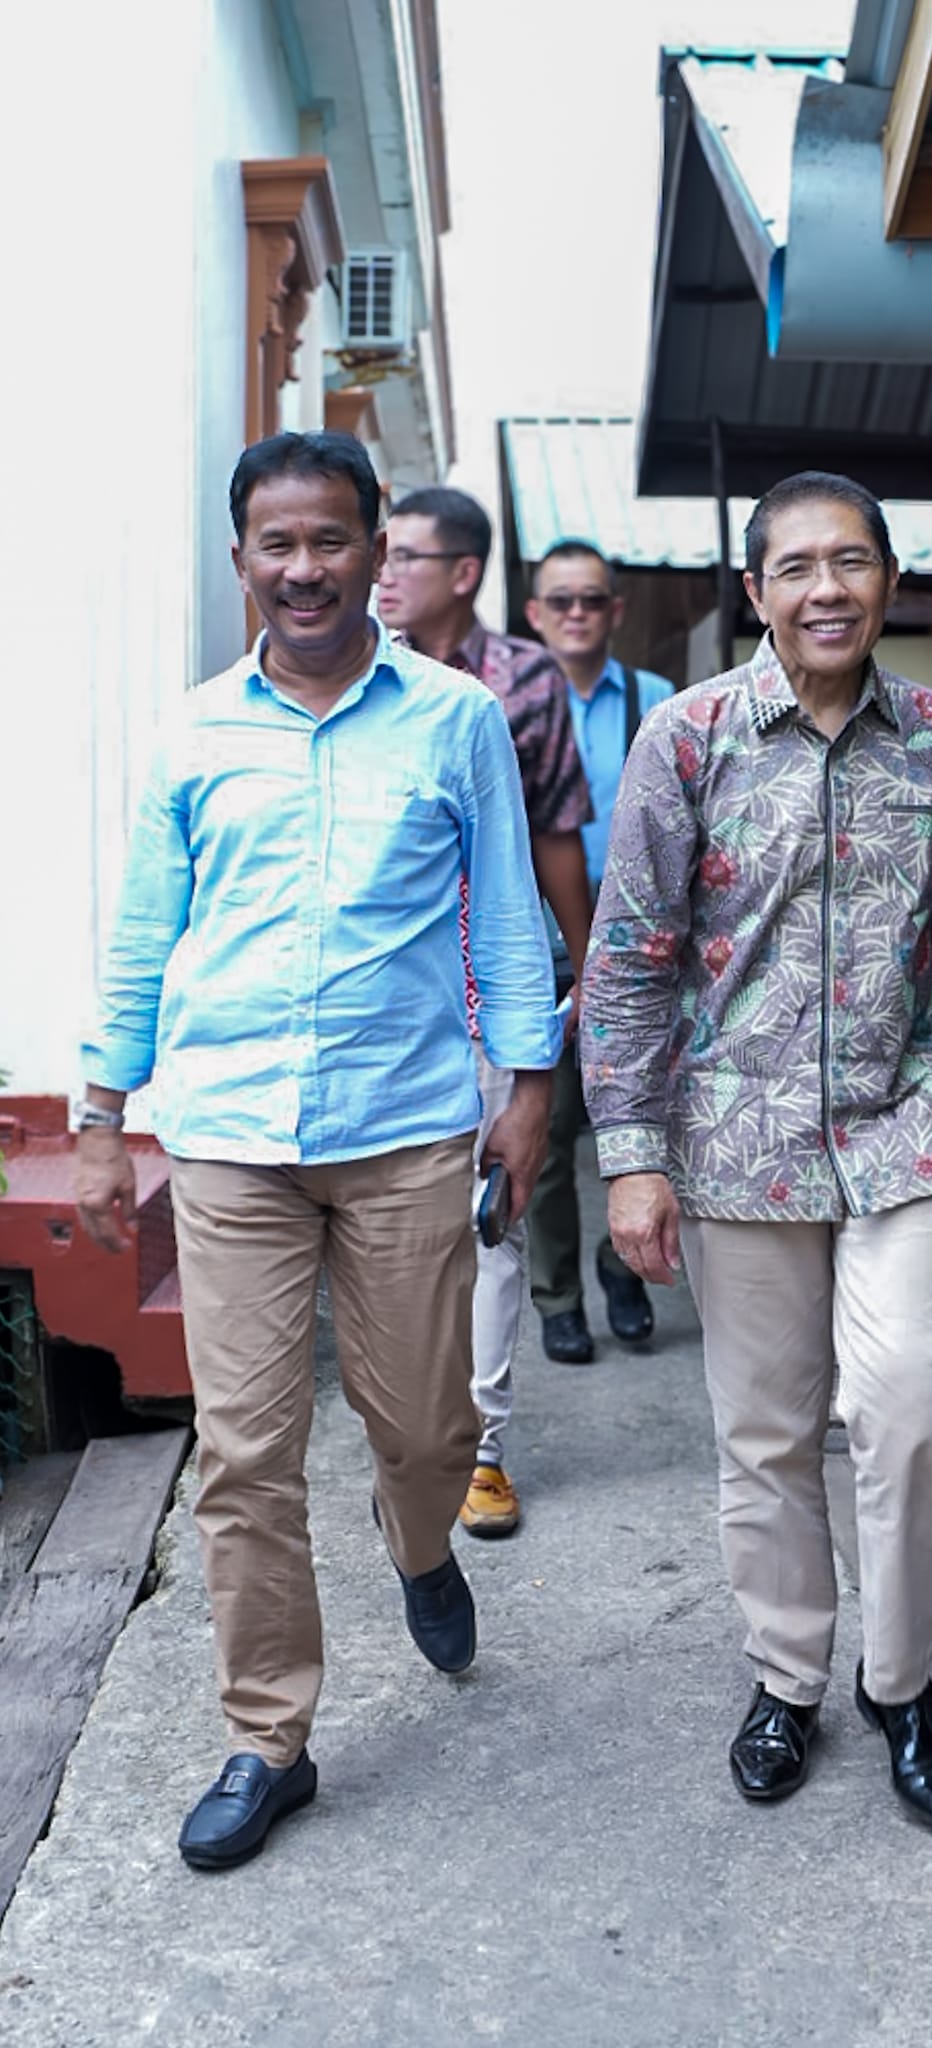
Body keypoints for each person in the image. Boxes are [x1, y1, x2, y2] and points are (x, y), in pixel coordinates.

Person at [73, 432, 560, 1870]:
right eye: (275, 545)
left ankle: (417, 1547)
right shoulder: (190, 733)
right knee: (245, 1452)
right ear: (242, 562)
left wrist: (524, 1091)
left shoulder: (454, 720)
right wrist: (103, 1115)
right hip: (226, 1138)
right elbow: (145, 933)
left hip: (406, 1128)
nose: (303, 568)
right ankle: (265, 1734)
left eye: (331, 541)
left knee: (425, 1431)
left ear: (376, 555)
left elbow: (507, 921)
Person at [581, 470, 932, 1836]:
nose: (823, 589)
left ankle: (899, 1690)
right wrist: (630, 1152)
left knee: (911, 1398)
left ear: (889, 582)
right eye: (794, 567)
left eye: (849, 562)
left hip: (901, 1124)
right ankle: (785, 1678)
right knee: (764, 1431)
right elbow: (626, 964)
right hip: (736, 1136)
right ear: (754, 592)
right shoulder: (687, 741)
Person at [377, 488, 593, 1539]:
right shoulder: (346, 670)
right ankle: (410, 1436)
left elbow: (555, 832)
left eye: (404, 555)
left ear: (463, 570)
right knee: (390, 1228)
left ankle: (481, 1449)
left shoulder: (523, 683)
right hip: (382, 1002)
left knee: (491, 1223)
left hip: (490, 986)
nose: (382, 573)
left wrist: (591, 970)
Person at [522, 541, 674, 1364]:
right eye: (560, 601)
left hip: (636, 959)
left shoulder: (656, 705)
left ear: (614, 611)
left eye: (591, 600)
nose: (576, 614)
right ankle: (557, 1300)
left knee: (638, 1127)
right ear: (534, 614)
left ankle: (622, 1268)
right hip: (539, 955)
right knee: (544, 1142)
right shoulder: (503, 705)